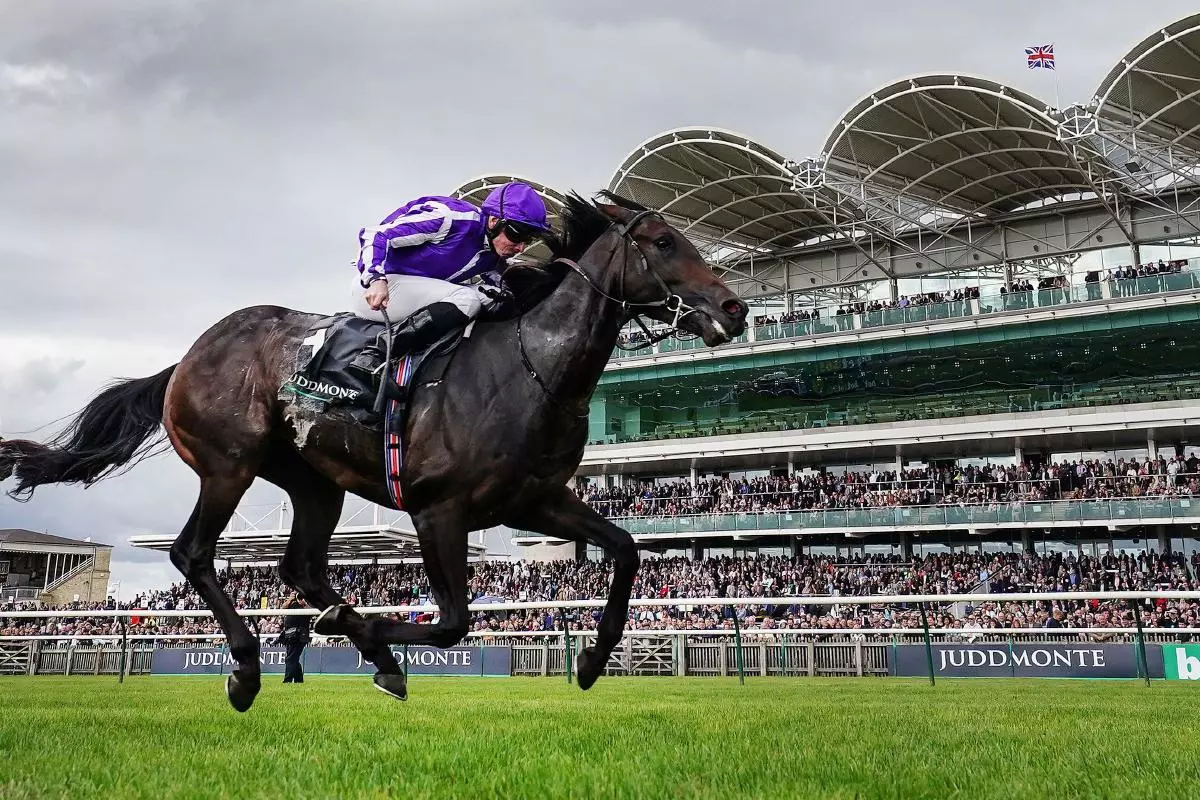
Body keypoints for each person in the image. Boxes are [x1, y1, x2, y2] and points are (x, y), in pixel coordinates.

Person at [347, 181, 553, 378]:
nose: (521, 248)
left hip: (415, 295)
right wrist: (376, 279)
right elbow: (374, 235)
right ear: (494, 221)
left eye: (528, 240)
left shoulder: (493, 256)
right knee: (466, 299)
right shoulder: (449, 217)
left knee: (499, 297)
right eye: (517, 236)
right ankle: (378, 354)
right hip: (377, 291)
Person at [279, 593, 311, 684]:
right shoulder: (292, 602)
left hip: (300, 635)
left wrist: (304, 604)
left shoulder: (307, 604)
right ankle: (299, 680)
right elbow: (282, 609)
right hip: (289, 634)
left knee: (291, 658)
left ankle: (287, 681)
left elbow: (313, 612)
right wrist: (290, 599)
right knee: (293, 658)